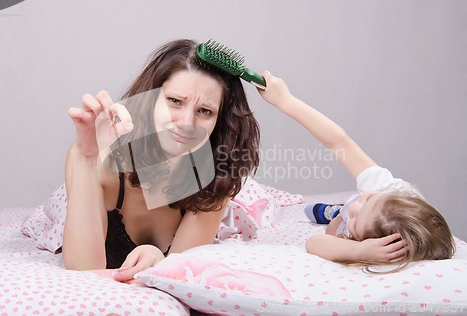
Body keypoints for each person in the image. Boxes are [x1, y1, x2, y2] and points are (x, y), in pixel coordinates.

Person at [62, 39, 260, 282]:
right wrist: (85, 157)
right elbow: (83, 269)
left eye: (205, 111)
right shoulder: (98, 159)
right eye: (175, 101)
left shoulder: (216, 176)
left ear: (220, 122)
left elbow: (178, 278)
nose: (186, 123)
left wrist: (157, 258)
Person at [257, 70, 455, 272]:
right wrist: (284, 100)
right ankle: (335, 210)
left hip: (347, 221)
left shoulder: (363, 242)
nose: (353, 210)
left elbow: (315, 243)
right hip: (376, 205)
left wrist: (359, 250)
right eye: (368, 200)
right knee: (348, 206)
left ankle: (333, 212)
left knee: (334, 222)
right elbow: (339, 142)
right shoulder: (394, 192)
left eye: (356, 221)